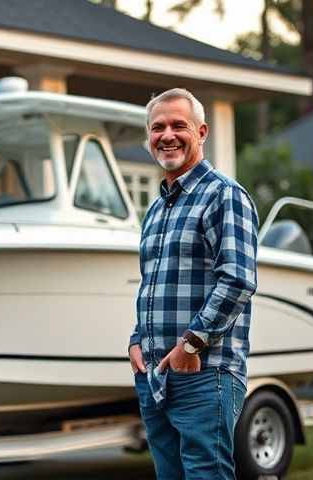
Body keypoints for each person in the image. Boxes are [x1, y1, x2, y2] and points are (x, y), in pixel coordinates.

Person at [128, 88, 259, 479]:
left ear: (201, 133)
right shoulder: (156, 208)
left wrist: (191, 345)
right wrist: (137, 339)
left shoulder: (225, 195)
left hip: (206, 372)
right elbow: (151, 283)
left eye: (178, 125)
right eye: (158, 127)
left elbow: (237, 280)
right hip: (155, 376)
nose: (167, 135)